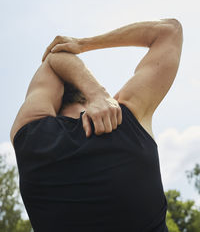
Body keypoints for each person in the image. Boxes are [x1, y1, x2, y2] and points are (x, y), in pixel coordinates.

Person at [10, 18, 183, 232]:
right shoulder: (127, 119)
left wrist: (95, 92)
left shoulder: (30, 139)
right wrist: (84, 46)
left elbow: (52, 61)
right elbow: (169, 31)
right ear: (85, 99)